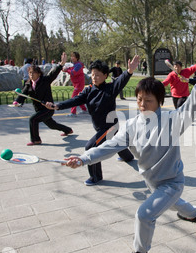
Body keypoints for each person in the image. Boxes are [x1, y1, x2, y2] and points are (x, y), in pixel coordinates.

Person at [62, 53, 196, 253]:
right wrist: (83, 158)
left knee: (144, 214)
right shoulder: (131, 125)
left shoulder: (172, 120)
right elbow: (109, 146)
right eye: (139, 99)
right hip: (154, 183)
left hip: (172, 182)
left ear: (160, 102)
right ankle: (195, 214)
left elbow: (191, 107)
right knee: (174, 204)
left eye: (148, 100)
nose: (142, 104)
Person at [45, 56, 139, 186]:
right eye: (93, 74)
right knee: (116, 142)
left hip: (110, 127)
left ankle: (96, 177)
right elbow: (74, 101)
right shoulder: (88, 90)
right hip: (100, 127)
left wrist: (129, 71)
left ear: (105, 75)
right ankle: (127, 157)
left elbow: (121, 81)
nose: (94, 77)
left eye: (98, 75)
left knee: (91, 147)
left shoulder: (111, 88)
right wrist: (57, 106)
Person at [12, 52, 73, 146]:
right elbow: (23, 94)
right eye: (30, 73)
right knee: (52, 125)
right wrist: (17, 102)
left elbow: (54, 73)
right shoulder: (28, 84)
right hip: (39, 110)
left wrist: (61, 64)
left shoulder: (45, 80)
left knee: (33, 119)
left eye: (34, 73)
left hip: (48, 108)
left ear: (39, 74)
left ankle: (36, 140)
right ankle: (68, 130)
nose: (31, 75)